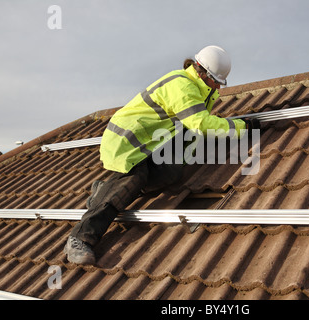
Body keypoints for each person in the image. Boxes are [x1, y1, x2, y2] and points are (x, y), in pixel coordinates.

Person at [63, 45, 261, 265]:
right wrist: (242, 127)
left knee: (171, 172)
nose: (217, 86)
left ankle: (103, 189)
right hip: (128, 140)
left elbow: (195, 126)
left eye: (219, 82)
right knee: (132, 179)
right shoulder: (182, 85)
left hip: (152, 141)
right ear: (201, 71)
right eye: (215, 80)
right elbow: (201, 124)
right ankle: (80, 238)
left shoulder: (202, 87)